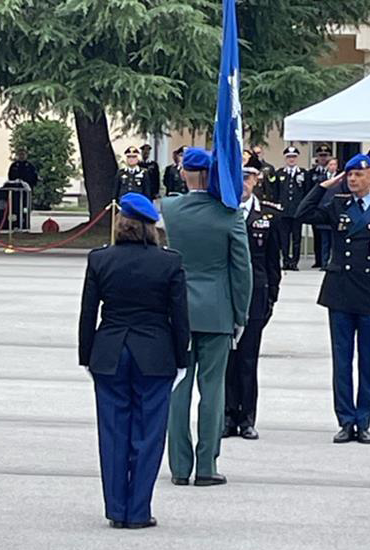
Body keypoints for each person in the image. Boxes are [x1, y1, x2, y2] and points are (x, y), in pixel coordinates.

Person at [78, 192, 190, 530]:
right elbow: (179, 317)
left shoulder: (100, 259)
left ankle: (116, 509)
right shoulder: (169, 262)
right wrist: (181, 357)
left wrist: (87, 355)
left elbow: (88, 314)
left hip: (110, 352)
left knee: (113, 433)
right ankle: (138, 510)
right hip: (155, 354)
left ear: (121, 223)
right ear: (151, 227)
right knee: (149, 434)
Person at [161, 148, 252, 487]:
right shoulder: (228, 213)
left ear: (183, 173)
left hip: (178, 308)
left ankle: (179, 467)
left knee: (178, 389)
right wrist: (240, 313)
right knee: (212, 390)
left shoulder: (169, 209)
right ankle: (206, 466)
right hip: (216, 311)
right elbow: (242, 269)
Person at [297, 154, 370, 445]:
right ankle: (345, 420)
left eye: (358, 174)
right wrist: (323, 186)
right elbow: (303, 213)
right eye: (349, 174)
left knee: (368, 362)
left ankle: (364, 421)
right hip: (341, 291)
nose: (352, 179)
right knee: (342, 361)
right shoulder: (338, 204)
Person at [224, 155, 282, 441]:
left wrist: (272, 297)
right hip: (225, 295)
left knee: (248, 359)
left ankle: (246, 418)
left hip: (255, 295)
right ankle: (226, 416)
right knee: (226, 360)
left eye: (248, 177)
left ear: (257, 180)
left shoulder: (268, 216)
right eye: (239, 176)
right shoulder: (223, 211)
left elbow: (273, 263)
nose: (243, 182)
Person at [273, 146, 310, 271]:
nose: (291, 159)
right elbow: (276, 192)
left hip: (297, 211)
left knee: (296, 238)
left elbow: (307, 192)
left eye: (293, 157)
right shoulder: (280, 173)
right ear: (285, 158)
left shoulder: (303, 173)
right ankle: (285, 260)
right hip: (284, 211)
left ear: (297, 158)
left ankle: (294, 262)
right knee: (284, 239)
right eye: (289, 157)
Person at [310, 144, 334, 268]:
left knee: (329, 239)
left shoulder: (337, 177)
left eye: (325, 156)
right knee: (318, 237)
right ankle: (318, 260)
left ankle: (327, 260)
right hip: (317, 208)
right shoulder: (312, 173)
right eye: (321, 156)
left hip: (330, 209)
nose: (323, 158)